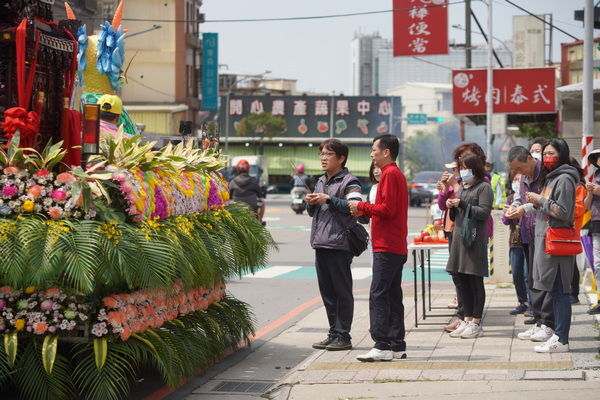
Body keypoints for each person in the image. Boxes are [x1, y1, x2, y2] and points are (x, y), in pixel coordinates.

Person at [348, 134, 409, 362]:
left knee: (378, 294)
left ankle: (381, 344)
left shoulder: (390, 174)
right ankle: (397, 344)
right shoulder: (392, 174)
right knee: (392, 295)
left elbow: (387, 209)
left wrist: (361, 206)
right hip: (393, 244)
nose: (372, 154)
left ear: (386, 152)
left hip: (388, 245)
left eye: (374, 149)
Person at [305, 139, 363, 351]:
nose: (323, 158)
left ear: (341, 158)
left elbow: (354, 207)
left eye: (328, 154)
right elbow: (315, 212)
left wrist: (328, 200)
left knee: (342, 292)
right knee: (327, 293)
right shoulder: (320, 180)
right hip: (321, 243)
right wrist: (311, 202)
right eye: (322, 153)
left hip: (339, 244)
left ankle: (343, 335)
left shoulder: (350, 181)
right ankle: (333, 332)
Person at [523, 138, 578, 353]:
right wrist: (530, 206)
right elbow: (545, 209)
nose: (546, 158)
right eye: (544, 154)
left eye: (551, 154)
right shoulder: (551, 178)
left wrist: (540, 200)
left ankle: (562, 340)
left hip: (557, 244)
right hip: (547, 242)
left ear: (562, 155)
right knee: (555, 292)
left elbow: (563, 212)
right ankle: (557, 335)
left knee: (560, 292)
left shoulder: (564, 179)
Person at [507, 145, 554, 342]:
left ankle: (548, 324)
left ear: (530, 159)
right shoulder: (524, 177)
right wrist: (515, 207)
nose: (518, 173)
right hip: (528, 232)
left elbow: (546, 202)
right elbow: (520, 197)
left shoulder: (546, 173)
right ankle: (538, 321)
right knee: (533, 279)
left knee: (545, 280)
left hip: (545, 233)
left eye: (520, 168)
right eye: (514, 170)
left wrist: (524, 208)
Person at [444, 154, 493, 339]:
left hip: (473, 240)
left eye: (465, 167)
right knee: (462, 280)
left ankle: (476, 322)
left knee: (474, 281)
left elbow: (484, 212)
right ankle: (466, 318)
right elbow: (458, 213)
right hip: (459, 239)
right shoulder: (463, 187)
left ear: (475, 168)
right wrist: (452, 205)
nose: (462, 171)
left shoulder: (484, 187)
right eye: (461, 167)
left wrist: (462, 203)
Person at [502, 172, 530, 315]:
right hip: (515, 241)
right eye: (515, 180)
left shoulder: (530, 196)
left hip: (528, 239)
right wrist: (507, 212)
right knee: (517, 273)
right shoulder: (510, 199)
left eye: (520, 179)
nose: (517, 182)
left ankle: (531, 303)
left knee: (528, 274)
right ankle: (522, 302)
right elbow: (505, 221)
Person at [584, 149, 600, 315]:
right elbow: (587, 205)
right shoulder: (595, 175)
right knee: (597, 263)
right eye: (597, 158)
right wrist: (590, 191)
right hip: (596, 222)